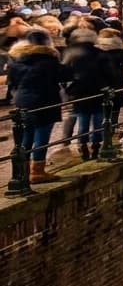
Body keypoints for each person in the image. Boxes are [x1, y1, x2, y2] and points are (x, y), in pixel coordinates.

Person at [6, 29, 69, 182]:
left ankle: (22, 172)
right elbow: (63, 75)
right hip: (44, 99)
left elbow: (11, 82)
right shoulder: (49, 59)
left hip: (23, 100)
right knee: (42, 134)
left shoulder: (15, 59)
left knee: (26, 135)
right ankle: (37, 171)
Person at [61, 26, 106, 160]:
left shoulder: (70, 53)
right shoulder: (99, 53)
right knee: (98, 119)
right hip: (97, 90)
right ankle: (96, 144)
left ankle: (83, 145)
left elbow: (64, 73)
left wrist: (68, 89)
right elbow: (108, 72)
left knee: (83, 119)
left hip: (79, 91)